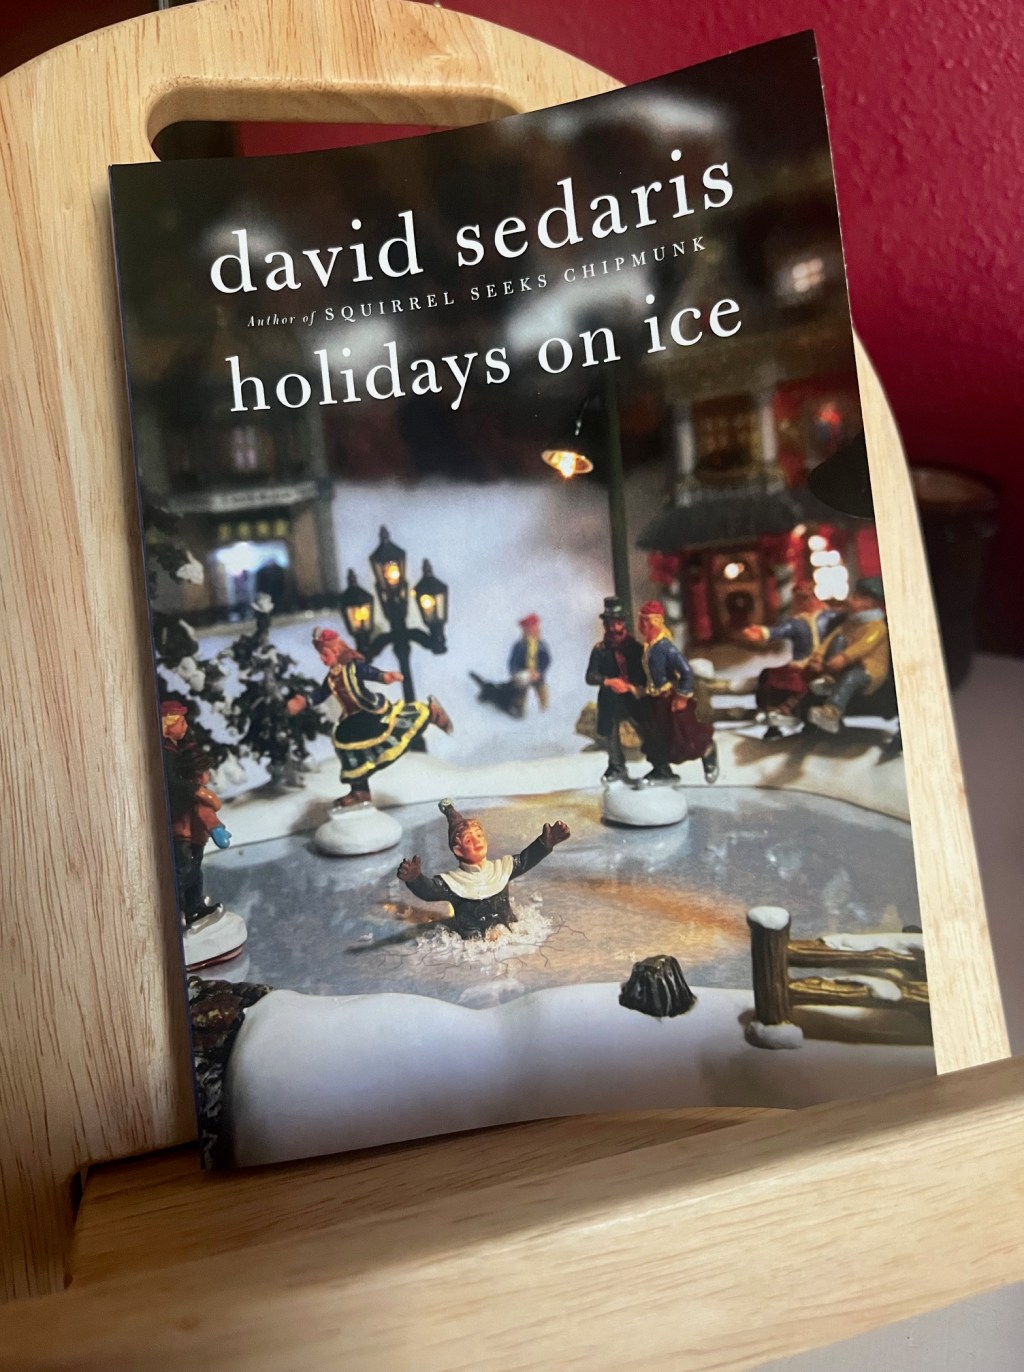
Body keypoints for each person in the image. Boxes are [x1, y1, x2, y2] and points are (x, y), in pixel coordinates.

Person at [287, 627, 452, 807]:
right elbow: (320, 694)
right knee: (348, 748)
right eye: (321, 655)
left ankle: (430, 713)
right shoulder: (331, 678)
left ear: (336, 650)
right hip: (352, 719)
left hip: (370, 712)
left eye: (324, 654)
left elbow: (370, 672)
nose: (322, 658)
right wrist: (304, 701)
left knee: (394, 726)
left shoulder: (353, 667)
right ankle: (360, 792)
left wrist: (385, 676)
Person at [397, 798, 570, 939]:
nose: (477, 841)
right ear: (458, 850)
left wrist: (544, 844)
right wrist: (415, 879)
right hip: (474, 943)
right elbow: (429, 891)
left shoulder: (501, 869)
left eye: (479, 836)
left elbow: (526, 860)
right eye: (469, 840)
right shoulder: (453, 883)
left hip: (509, 935)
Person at [740, 582, 846, 738]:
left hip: (822, 665)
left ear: (815, 597)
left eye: (806, 597)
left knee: (808, 681)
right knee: (768, 676)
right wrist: (762, 632)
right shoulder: (796, 622)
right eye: (799, 599)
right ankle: (772, 718)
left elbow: (847, 618)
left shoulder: (830, 617)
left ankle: (793, 713)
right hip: (800, 664)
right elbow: (779, 631)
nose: (802, 602)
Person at [631, 600, 719, 785]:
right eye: (641, 620)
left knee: (683, 737)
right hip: (652, 699)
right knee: (654, 736)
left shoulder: (665, 648)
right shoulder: (648, 646)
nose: (642, 625)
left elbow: (686, 671)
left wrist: (682, 696)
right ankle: (661, 770)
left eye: (646, 621)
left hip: (667, 700)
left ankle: (708, 751)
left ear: (656, 622)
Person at [161, 701, 232, 925]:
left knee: (193, 871)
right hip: (182, 831)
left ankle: (193, 908)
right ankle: (174, 905)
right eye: (180, 722)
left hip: (193, 836)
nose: (185, 726)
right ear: (167, 726)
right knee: (186, 872)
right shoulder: (165, 754)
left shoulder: (175, 750)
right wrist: (198, 792)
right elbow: (171, 783)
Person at [806, 577, 891, 733]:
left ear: (869, 603)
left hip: (869, 668)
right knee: (839, 639)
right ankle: (829, 679)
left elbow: (863, 647)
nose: (850, 600)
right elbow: (831, 638)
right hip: (847, 664)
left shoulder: (877, 627)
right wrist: (819, 656)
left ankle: (831, 713)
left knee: (852, 676)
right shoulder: (851, 622)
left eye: (856, 598)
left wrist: (844, 658)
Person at [585, 595, 645, 782]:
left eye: (617, 623)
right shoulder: (600, 650)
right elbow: (590, 676)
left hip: (632, 698)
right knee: (611, 733)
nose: (614, 628)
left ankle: (660, 765)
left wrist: (632, 687)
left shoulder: (635, 648)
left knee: (646, 727)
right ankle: (616, 766)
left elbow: (642, 674)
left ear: (623, 624)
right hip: (610, 700)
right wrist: (609, 681)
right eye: (610, 624)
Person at [508, 614, 551, 717]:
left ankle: (545, 709)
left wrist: (539, 671)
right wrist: (515, 672)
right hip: (523, 673)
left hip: (536, 673)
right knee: (520, 690)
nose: (535, 631)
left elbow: (546, 659)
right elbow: (513, 661)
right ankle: (519, 708)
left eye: (536, 629)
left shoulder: (541, 645)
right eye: (530, 630)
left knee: (542, 690)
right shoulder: (519, 645)